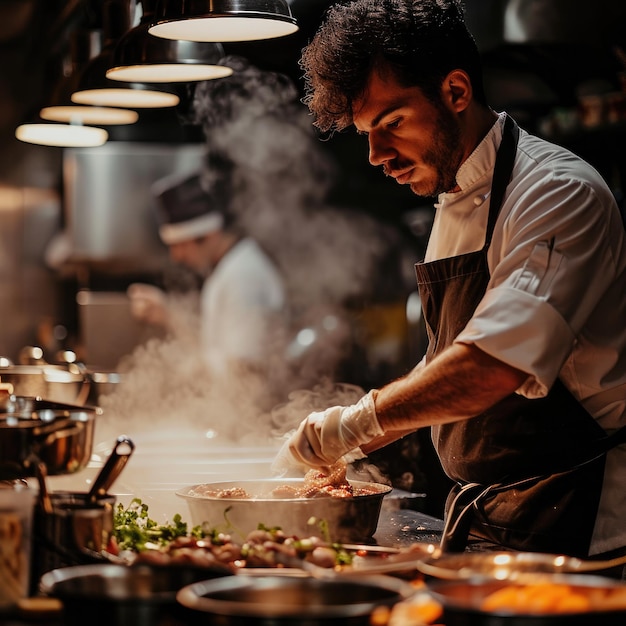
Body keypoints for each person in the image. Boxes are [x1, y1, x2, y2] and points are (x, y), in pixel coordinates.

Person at [274, 0, 626, 563]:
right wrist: (357, 430)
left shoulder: (557, 193)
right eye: (367, 132)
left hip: (580, 527)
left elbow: (490, 364)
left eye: (390, 124)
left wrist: (355, 424)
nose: (375, 156)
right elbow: (452, 358)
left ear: (456, 92)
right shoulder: (453, 196)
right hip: (492, 518)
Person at [128, 156, 287, 392]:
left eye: (181, 244)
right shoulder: (228, 268)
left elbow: (244, 373)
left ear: (209, 235)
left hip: (253, 416)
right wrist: (170, 316)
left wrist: (185, 368)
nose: (176, 257)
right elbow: (218, 347)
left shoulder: (243, 276)